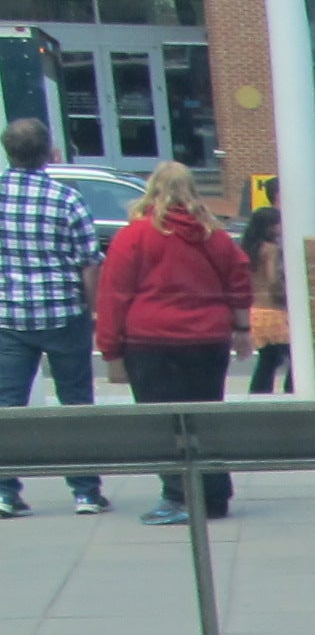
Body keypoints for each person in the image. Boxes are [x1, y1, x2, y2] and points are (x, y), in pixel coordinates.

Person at [93, 158, 251, 526]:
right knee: (204, 416)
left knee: (164, 423)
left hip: (151, 341)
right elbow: (238, 279)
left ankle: (178, 495)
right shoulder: (215, 235)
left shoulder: (134, 236)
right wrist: (242, 330)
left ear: (152, 190)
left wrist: (110, 350)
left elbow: (114, 295)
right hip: (207, 339)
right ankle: (214, 494)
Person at [0, 115, 108, 516]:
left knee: (7, 406)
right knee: (76, 403)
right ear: (48, 153)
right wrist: (93, 310)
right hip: (64, 314)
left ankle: (5, 491)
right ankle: (84, 491)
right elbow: (88, 262)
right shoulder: (67, 198)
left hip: (9, 317)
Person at [241, 202, 291, 394]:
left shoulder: (250, 248)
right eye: (278, 223)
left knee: (267, 359)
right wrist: (284, 295)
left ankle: (259, 393)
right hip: (274, 311)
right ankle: (290, 391)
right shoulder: (271, 249)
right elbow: (273, 279)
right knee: (292, 359)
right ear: (269, 226)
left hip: (255, 310)